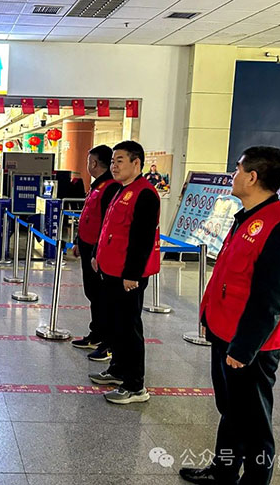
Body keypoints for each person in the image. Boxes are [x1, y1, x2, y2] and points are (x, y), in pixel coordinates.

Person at [180, 147, 280, 485]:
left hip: (251, 346)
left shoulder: (279, 227)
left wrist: (245, 347)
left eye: (237, 170)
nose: (232, 176)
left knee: (254, 423)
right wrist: (208, 316)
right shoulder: (247, 217)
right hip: (226, 332)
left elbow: (271, 298)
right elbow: (228, 276)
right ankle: (224, 471)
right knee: (232, 411)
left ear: (252, 177)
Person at [88, 140, 160, 404]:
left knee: (129, 328)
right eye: (113, 161)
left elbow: (142, 239)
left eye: (120, 161)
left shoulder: (145, 194)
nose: (114, 166)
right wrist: (96, 254)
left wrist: (132, 274)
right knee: (116, 325)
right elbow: (108, 227)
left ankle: (135, 386)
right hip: (110, 270)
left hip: (127, 276)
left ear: (136, 163)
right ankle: (117, 370)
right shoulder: (120, 190)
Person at [71, 145, 120, 363]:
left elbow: (107, 224)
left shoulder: (110, 187)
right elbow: (88, 215)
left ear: (94, 163)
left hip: (98, 251)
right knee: (93, 293)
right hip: (87, 245)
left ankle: (108, 342)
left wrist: (97, 253)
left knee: (103, 297)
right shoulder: (97, 186)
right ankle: (96, 333)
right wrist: (78, 241)